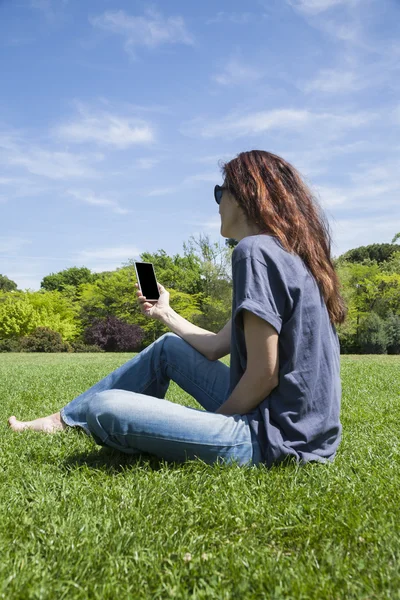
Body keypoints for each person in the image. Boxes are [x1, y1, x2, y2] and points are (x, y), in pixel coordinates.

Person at [8, 150, 347, 469]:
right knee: (169, 348)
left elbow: (263, 374)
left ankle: (85, 418)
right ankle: (60, 421)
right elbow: (217, 346)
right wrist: (165, 313)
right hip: (305, 434)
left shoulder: (253, 251)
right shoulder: (291, 257)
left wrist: (217, 423)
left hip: (275, 440)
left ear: (245, 196)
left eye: (220, 192)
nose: (217, 204)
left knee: (105, 408)